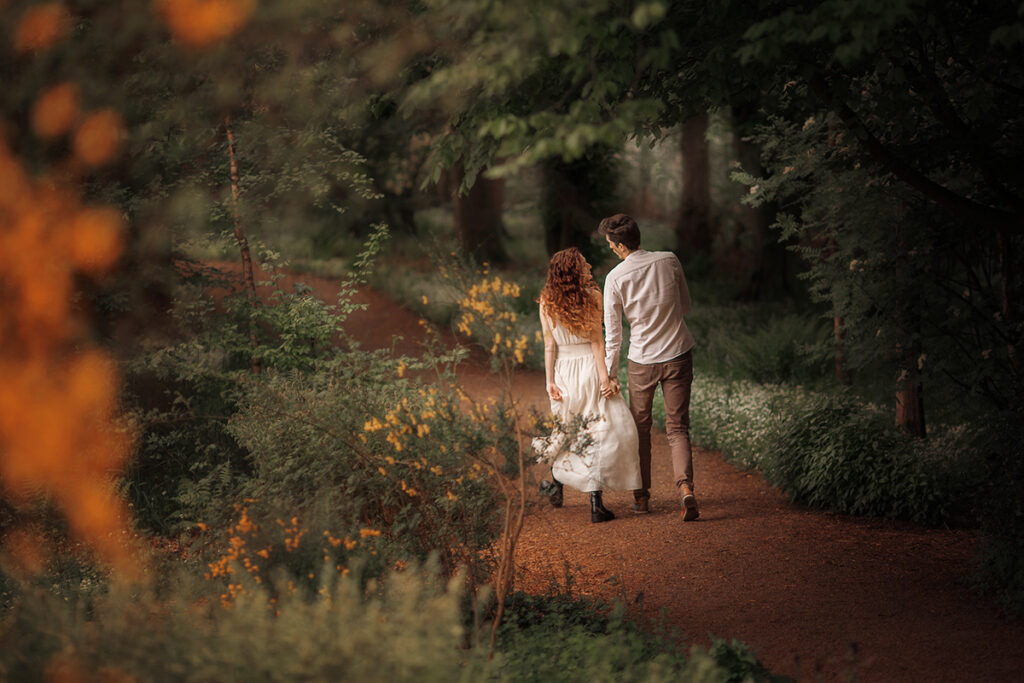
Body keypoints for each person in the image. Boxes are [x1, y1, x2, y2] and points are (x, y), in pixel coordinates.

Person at [599, 214, 699, 521]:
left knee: (640, 430)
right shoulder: (669, 260)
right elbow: (685, 305)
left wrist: (610, 373)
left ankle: (641, 500)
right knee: (678, 427)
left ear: (618, 246)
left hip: (642, 360)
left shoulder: (615, 278)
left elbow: (614, 335)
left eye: (610, 245)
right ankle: (685, 489)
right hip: (678, 351)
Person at [533, 247, 641, 523]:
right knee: (602, 431)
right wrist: (605, 380)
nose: (589, 264)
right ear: (575, 271)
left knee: (569, 431)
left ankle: (555, 486)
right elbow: (596, 343)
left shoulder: (546, 301)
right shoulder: (593, 297)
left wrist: (549, 382)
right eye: (584, 263)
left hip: (563, 373)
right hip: (590, 370)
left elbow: (549, 345)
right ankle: (595, 502)